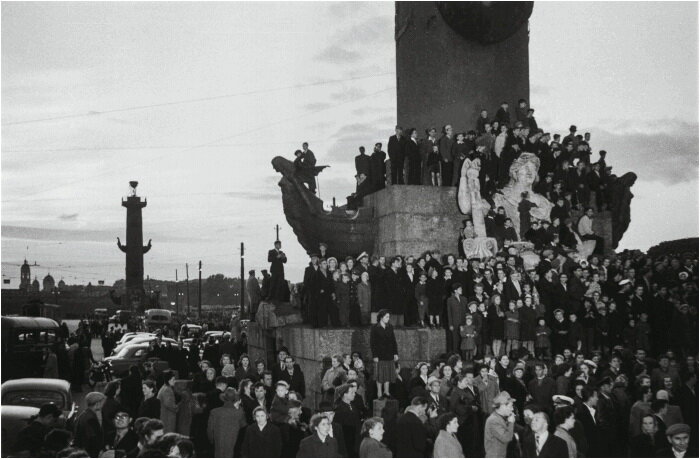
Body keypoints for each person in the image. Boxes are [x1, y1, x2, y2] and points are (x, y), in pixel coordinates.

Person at [208, 387, 247, 458]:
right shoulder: (239, 413)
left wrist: (213, 441)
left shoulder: (214, 412)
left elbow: (210, 432)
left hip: (219, 446)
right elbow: (243, 429)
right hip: (234, 448)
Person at [370, 309, 399, 399]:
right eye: (387, 317)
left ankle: (386, 392)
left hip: (389, 354)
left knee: (388, 374)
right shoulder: (374, 328)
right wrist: (375, 355)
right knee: (380, 375)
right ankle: (379, 393)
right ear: (381, 317)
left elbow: (393, 341)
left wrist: (395, 353)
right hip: (380, 355)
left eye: (389, 317)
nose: (388, 318)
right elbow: (372, 343)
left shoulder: (390, 327)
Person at [73, 391, 106, 458]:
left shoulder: (84, 414)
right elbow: (93, 439)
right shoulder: (91, 419)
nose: (104, 404)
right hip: (89, 453)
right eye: (103, 402)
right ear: (97, 403)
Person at [484, 391, 515, 458]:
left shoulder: (501, 417)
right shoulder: (493, 420)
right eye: (511, 406)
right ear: (502, 406)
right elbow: (506, 438)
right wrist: (511, 423)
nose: (512, 409)